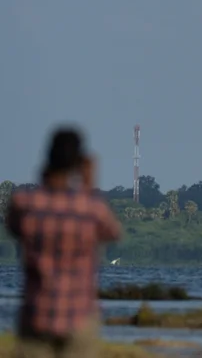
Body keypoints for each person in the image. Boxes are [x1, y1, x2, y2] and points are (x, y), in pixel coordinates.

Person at [5, 127, 122, 358]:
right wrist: (88, 186)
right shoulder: (91, 209)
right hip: (79, 317)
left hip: (36, 315)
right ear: (79, 164)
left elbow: (13, 228)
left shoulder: (24, 204)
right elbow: (112, 232)